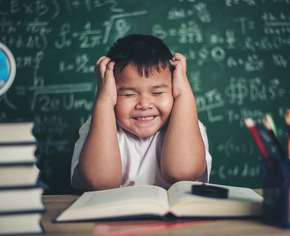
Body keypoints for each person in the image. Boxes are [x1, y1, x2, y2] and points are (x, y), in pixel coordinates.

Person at [71, 34, 212, 191]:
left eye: (157, 93)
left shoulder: (187, 123)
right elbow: (101, 183)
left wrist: (183, 94)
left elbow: (181, 173)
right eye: (129, 94)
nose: (144, 104)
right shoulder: (97, 127)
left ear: (174, 89)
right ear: (111, 93)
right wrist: (103, 101)